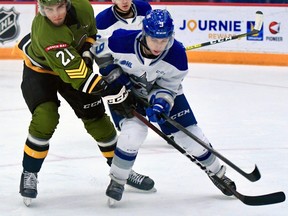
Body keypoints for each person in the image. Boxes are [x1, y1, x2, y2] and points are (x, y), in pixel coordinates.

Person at [17, 0, 154, 206]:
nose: (55, 14)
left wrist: (87, 53)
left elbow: (90, 34)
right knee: (46, 117)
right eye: (48, 10)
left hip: (73, 67)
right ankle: (29, 172)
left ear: (67, 4)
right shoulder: (46, 32)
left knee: (98, 120)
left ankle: (121, 169)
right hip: (40, 72)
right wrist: (113, 92)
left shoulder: (83, 7)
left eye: (59, 8)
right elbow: (80, 76)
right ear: (41, 9)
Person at [91, 9, 236, 203]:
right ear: (144, 33)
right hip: (125, 93)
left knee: (189, 135)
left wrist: (160, 103)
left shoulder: (177, 55)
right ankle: (117, 181)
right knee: (133, 133)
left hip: (157, 92)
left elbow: (169, 87)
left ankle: (217, 173)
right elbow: (99, 52)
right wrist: (113, 75)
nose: (159, 46)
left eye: (164, 40)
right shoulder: (121, 40)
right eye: (154, 40)